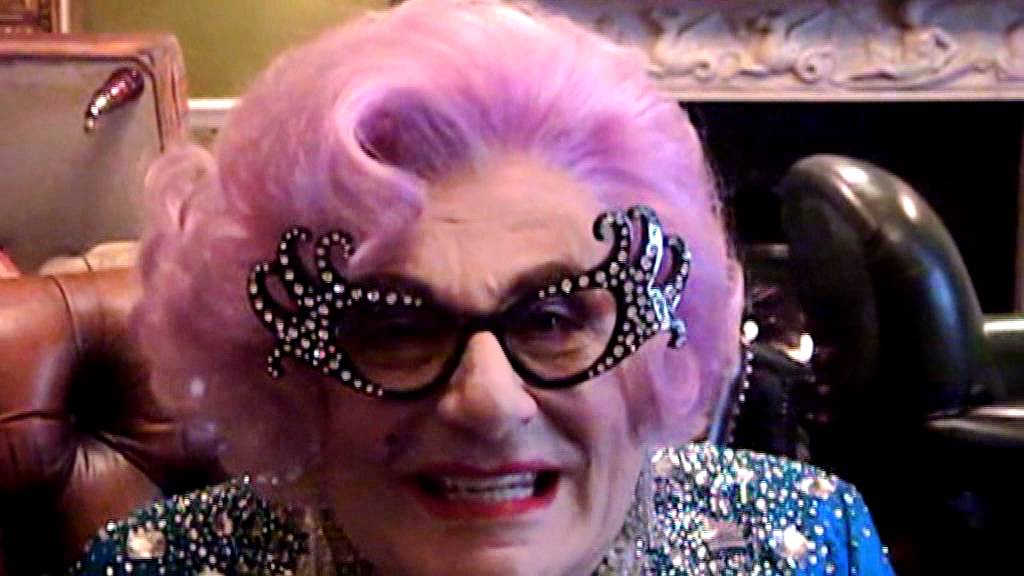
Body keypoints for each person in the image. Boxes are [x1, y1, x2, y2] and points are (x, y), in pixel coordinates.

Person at [72, 0, 893, 574]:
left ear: (651, 353)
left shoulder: (803, 547)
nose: (491, 403)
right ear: (286, 378)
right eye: (397, 330)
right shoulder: (152, 568)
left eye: (553, 319)